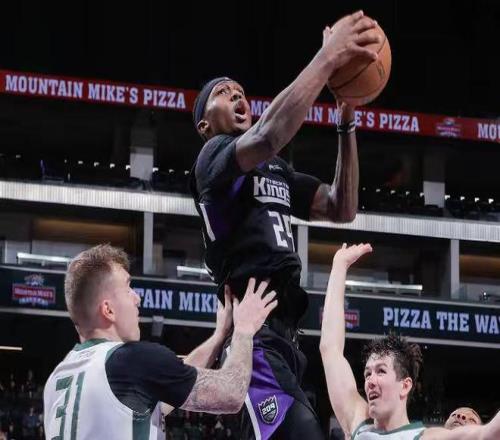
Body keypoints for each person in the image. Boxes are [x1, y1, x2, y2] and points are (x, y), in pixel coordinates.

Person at [190, 10, 381, 439]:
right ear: (205, 124)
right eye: (223, 93)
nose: (237, 95)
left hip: (286, 339)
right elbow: (268, 134)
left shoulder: (274, 169)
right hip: (252, 337)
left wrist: (346, 120)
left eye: (241, 91)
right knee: (304, 432)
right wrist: (327, 58)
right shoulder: (212, 160)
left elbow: (342, 207)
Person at [43, 244, 277, 440]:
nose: (137, 298)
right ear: (108, 310)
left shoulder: (58, 378)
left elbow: (170, 385)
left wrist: (218, 336)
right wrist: (244, 329)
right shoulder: (131, 360)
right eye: (128, 288)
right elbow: (231, 394)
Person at [320, 242, 500, 440]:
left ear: (405, 386)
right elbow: (330, 349)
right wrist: (339, 266)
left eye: (381, 371)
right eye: (368, 373)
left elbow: (488, 434)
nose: (370, 381)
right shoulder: (358, 424)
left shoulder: (425, 437)